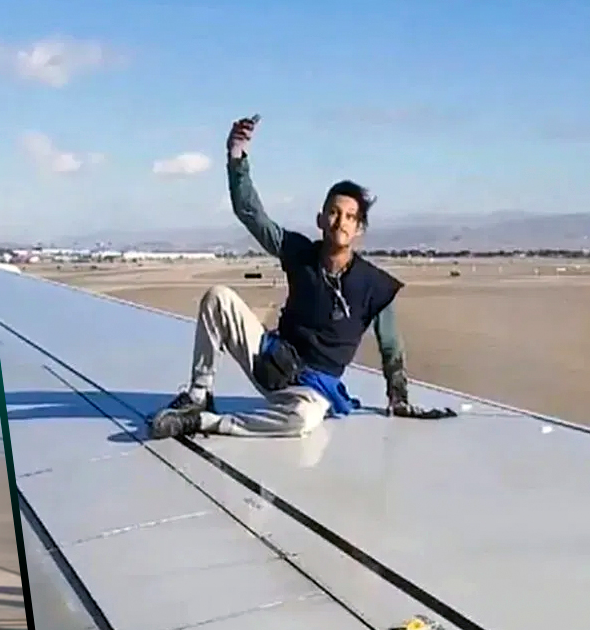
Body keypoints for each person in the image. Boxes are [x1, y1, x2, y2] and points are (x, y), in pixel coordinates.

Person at [150, 115, 451, 440]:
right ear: (320, 218)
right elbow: (251, 214)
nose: (341, 222)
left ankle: (205, 423)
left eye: (351, 217)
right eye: (334, 213)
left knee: (303, 420)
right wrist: (236, 155)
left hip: (311, 390)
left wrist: (399, 396)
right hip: (268, 359)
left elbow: (390, 345)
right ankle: (198, 396)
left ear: (360, 229)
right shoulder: (299, 252)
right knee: (218, 297)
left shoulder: (373, 284)